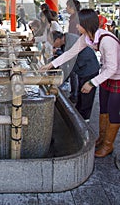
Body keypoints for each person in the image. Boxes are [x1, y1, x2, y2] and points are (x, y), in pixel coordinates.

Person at [40, 9, 120, 158]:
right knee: (104, 109)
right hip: (106, 75)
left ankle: (108, 145)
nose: (76, 27)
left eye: (78, 24)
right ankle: (102, 139)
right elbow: (70, 53)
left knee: (114, 111)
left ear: (86, 24)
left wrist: (92, 82)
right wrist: (51, 65)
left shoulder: (107, 40)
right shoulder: (86, 37)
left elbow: (113, 68)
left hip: (117, 77)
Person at [52, 31, 100, 120]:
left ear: (58, 39)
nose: (53, 45)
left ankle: (85, 121)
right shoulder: (66, 39)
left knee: (86, 96)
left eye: (53, 43)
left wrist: (58, 81)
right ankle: (78, 116)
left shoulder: (71, 41)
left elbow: (68, 63)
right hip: (83, 68)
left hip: (89, 68)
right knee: (81, 93)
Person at [66, 0, 81, 103]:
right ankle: (75, 93)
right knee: (74, 72)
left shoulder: (75, 18)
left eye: (67, 6)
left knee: (74, 72)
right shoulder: (74, 17)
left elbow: (74, 35)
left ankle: (75, 95)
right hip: (76, 46)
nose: (66, 8)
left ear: (72, 7)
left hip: (75, 47)